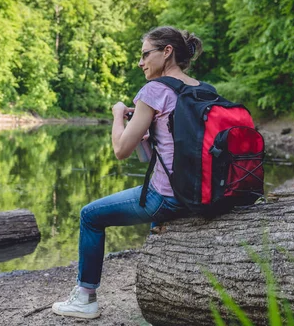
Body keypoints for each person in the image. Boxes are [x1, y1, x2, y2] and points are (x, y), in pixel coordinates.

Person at [52, 26, 203, 319]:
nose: (141, 62)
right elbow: (168, 145)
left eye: (146, 54)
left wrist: (117, 114)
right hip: (201, 192)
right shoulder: (200, 89)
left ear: (167, 52)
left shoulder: (154, 90)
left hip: (170, 198)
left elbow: (120, 150)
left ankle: (85, 298)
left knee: (90, 216)